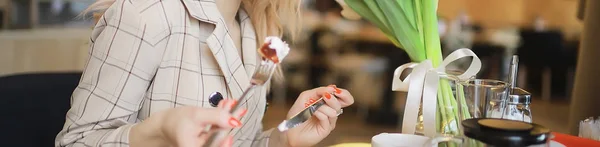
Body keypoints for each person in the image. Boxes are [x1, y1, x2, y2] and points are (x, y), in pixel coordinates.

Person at [54, 0, 355, 146]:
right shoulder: (144, 16)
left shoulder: (258, 28)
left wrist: (282, 138)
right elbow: (76, 142)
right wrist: (158, 131)